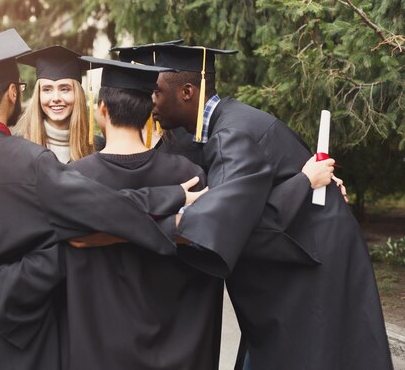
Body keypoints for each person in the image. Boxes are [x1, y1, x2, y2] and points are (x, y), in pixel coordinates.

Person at [0, 29, 195, 370]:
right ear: (11, 93)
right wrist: (172, 195)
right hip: (13, 339)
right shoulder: (30, 162)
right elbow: (102, 206)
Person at [114, 42, 392, 370]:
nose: (151, 102)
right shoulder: (223, 122)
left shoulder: (231, 135)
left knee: (316, 356)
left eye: (156, 93)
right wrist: (302, 180)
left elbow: (234, 221)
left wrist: (139, 226)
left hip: (312, 261)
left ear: (187, 92)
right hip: (307, 249)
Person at [60, 56, 223, 370]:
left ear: (101, 110)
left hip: (97, 351)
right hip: (177, 351)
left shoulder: (75, 179)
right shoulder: (188, 176)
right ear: (151, 111)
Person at [15, 46, 95, 163]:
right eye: (47, 89)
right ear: (38, 95)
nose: (56, 98)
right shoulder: (19, 146)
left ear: (78, 94)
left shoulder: (95, 147)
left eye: (64, 89)